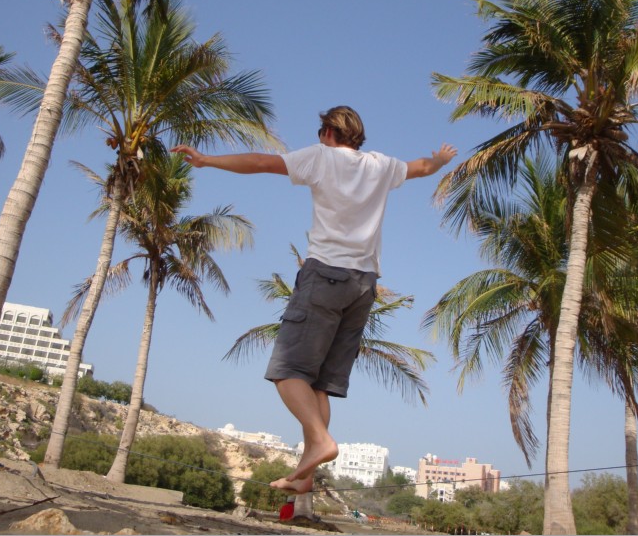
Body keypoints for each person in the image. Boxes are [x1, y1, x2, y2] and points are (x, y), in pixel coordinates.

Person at [172, 106, 456, 494]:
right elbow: (421, 167)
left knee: (287, 372)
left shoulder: (320, 157)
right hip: (364, 285)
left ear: (327, 132)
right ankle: (303, 480)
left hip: (325, 275)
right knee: (320, 384)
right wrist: (439, 160)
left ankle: (320, 443)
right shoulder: (380, 165)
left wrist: (207, 160)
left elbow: (260, 161)